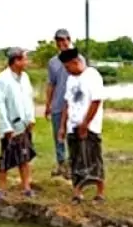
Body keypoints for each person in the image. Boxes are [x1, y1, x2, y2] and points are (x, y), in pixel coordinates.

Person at [57, 48, 106, 203]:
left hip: (89, 126)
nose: (67, 70)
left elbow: (96, 101)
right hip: (72, 125)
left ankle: (100, 193)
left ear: (76, 62)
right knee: (76, 159)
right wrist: (62, 126)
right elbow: (67, 102)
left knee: (93, 158)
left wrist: (85, 124)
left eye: (68, 66)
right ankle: (77, 193)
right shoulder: (71, 78)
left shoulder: (92, 76)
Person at [0, 47, 36, 200]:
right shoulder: (2, 79)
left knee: (24, 157)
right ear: (16, 61)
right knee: (5, 157)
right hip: (10, 125)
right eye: (24, 59)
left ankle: (26, 187)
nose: (27, 62)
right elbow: (0, 104)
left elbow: (29, 99)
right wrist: (6, 127)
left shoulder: (25, 77)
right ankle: (2, 189)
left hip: (24, 124)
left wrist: (31, 118)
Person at [44, 29, 84, 178]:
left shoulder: (78, 59)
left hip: (74, 105)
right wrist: (48, 104)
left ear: (69, 39)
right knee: (58, 136)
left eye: (64, 40)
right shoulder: (53, 62)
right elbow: (51, 84)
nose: (61, 43)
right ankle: (62, 165)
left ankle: (75, 165)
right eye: (58, 41)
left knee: (73, 136)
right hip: (58, 104)